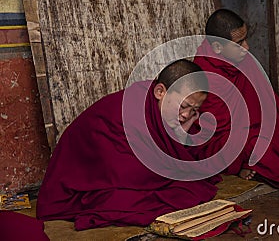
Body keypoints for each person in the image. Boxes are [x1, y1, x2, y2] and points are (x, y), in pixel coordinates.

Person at [36, 59, 221, 230]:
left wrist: (181, 130)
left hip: (118, 173)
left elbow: (176, 153)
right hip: (79, 182)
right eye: (183, 106)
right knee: (124, 199)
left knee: (188, 185)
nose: (187, 115)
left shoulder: (162, 110)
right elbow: (128, 172)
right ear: (160, 92)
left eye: (194, 109)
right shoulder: (125, 110)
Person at [193, 9, 279, 190]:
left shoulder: (241, 59)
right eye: (239, 43)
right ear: (218, 48)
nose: (247, 47)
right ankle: (243, 166)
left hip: (254, 128)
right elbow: (216, 130)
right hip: (226, 139)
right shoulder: (204, 73)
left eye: (246, 39)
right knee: (260, 149)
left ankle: (255, 162)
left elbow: (266, 102)